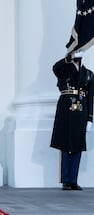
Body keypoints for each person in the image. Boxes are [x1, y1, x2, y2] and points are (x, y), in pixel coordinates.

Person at [50, 51, 93, 190]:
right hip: (65, 109)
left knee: (77, 146)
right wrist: (68, 59)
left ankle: (73, 180)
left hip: (80, 110)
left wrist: (90, 118)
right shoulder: (64, 69)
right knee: (64, 145)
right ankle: (65, 180)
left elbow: (90, 97)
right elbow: (55, 68)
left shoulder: (88, 74)